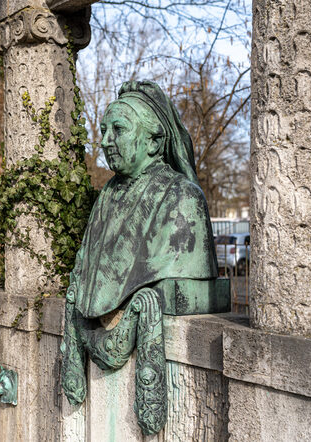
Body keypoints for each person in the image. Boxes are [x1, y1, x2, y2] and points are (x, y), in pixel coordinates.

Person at [60, 80, 218, 435]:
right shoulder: (107, 196)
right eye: (103, 130)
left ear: (154, 141)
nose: (105, 140)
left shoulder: (182, 197)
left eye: (118, 129)